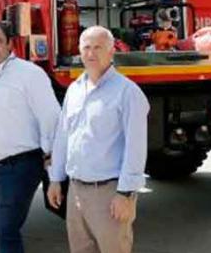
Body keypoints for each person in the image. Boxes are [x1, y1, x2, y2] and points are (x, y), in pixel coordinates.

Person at [48, 25, 150, 253]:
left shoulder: (127, 92)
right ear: (79, 52)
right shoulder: (74, 89)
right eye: (86, 47)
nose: (91, 53)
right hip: (76, 192)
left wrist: (125, 193)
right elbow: (63, 136)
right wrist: (55, 178)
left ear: (112, 51)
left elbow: (136, 147)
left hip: (109, 193)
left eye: (98, 47)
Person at [0, 21, 61, 253]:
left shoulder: (29, 74)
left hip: (19, 168)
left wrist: (53, 170)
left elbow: (51, 118)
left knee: (6, 232)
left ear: (10, 43)